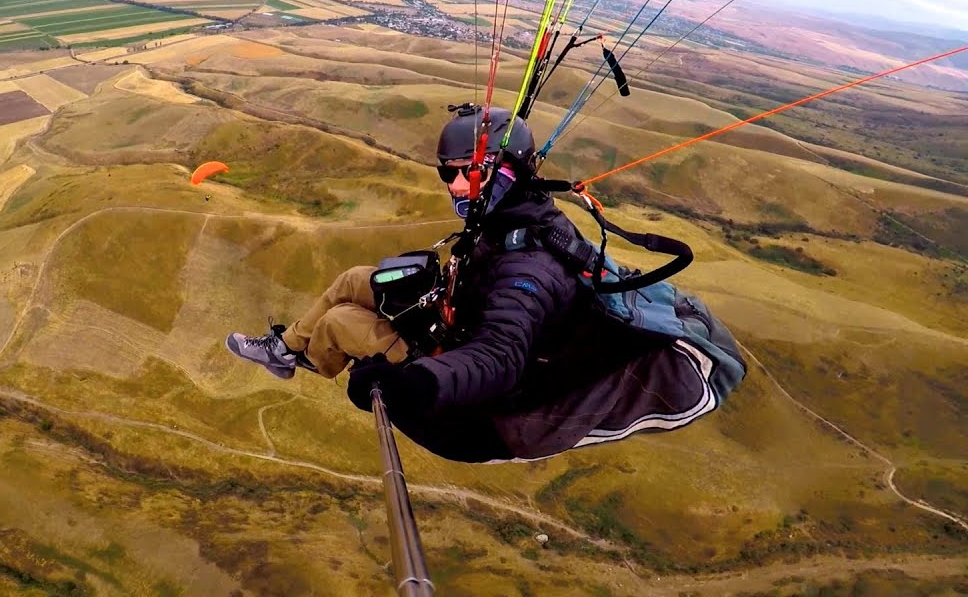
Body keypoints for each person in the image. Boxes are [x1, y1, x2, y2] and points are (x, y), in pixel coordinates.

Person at [225, 106, 741, 463]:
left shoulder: (529, 269)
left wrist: (415, 385)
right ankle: (286, 350)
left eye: (470, 172)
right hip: (458, 325)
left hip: (476, 392)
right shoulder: (514, 213)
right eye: (447, 173)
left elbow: (500, 357)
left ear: (510, 171)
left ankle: (313, 357)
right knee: (357, 280)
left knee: (341, 323)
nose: (455, 185)